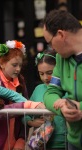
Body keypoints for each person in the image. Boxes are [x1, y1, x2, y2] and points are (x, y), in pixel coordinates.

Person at [43, 9, 82, 150]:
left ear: (60, 35)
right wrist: (63, 108)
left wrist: (80, 108)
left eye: (50, 43)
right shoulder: (60, 59)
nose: (51, 48)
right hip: (74, 142)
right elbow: (50, 93)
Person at [0, 40, 28, 150]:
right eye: (14, 65)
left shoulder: (20, 81)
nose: (18, 69)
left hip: (15, 142)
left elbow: (26, 112)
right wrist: (23, 106)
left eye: (20, 65)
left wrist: (22, 139)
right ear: (2, 63)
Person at [24, 50, 66, 150]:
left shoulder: (67, 89)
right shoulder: (38, 89)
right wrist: (31, 122)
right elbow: (25, 114)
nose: (45, 78)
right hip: (42, 144)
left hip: (67, 143)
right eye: (41, 74)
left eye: (49, 73)